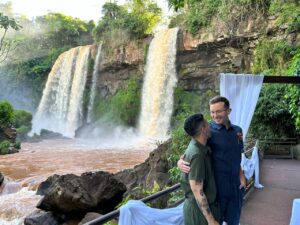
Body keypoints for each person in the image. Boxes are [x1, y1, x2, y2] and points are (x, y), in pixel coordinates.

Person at [178, 96, 246, 225]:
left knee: (234, 221)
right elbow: (192, 151)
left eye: (218, 111)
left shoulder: (238, 131)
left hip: (235, 188)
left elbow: (236, 155)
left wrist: (241, 175)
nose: (215, 115)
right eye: (212, 112)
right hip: (217, 191)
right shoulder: (207, 131)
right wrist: (179, 162)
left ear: (228, 111)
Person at [180, 113, 220, 225]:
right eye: (207, 123)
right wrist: (211, 220)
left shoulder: (199, 146)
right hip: (200, 215)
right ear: (203, 129)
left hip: (202, 210)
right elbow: (197, 190)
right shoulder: (197, 155)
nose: (210, 126)